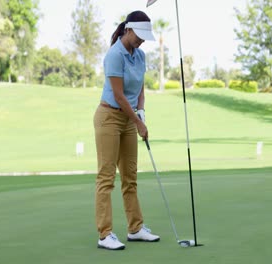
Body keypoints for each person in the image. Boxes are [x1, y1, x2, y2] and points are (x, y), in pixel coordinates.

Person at [93, 10, 159, 251]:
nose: (142, 40)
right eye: (139, 35)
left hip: (129, 118)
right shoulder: (114, 55)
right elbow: (119, 95)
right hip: (109, 117)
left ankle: (135, 229)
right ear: (128, 30)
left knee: (130, 177)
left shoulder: (140, 56)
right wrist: (139, 122)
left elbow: (140, 88)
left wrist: (141, 112)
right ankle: (105, 234)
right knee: (106, 177)